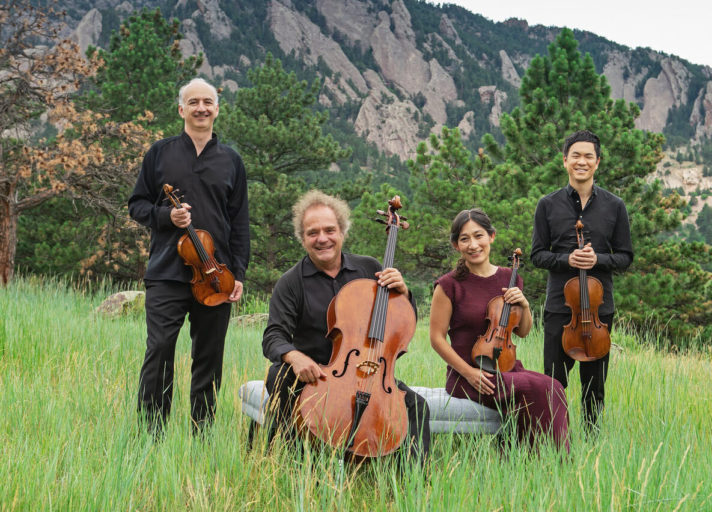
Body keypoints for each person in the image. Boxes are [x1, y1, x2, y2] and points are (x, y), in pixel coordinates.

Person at [262, 190, 430, 461]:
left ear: (342, 231)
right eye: (312, 232)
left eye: (330, 230)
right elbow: (273, 335)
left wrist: (405, 293)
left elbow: (402, 323)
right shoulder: (291, 282)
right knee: (278, 375)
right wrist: (294, 356)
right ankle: (293, 461)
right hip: (316, 373)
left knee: (417, 406)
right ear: (302, 238)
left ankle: (412, 480)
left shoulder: (370, 268)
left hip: (369, 371)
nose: (322, 239)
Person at [128, 77, 249, 435]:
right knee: (160, 350)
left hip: (216, 275)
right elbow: (136, 205)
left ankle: (203, 435)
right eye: (193, 102)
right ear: (181, 109)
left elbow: (239, 221)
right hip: (166, 272)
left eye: (208, 102)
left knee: (209, 357)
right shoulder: (160, 153)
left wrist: (238, 273)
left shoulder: (231, 161)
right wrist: (167, 217)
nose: (201, 108)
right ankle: (151, 435)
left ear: (216, 110)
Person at [429, 208, 569, 450]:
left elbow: (522, 332)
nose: (473, 245)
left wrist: (524, 305)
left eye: (479, 236)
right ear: (456, 245)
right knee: (542, 389)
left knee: (554, 386)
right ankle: (543, 460)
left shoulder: (509, 278)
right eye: (465, 239)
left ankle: (541, 459)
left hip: (506, 369)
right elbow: (436, 338)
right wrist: (468, 373)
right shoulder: (448, 285)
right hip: (469, 376)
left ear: (491, 237)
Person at [531, 129, 633, 436]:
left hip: (599, 312)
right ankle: (552, 443)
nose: (582, 161)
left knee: (594, 387)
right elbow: (537, 255)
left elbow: (626, 256)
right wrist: (567, 260)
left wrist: (598, 260)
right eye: (575, 155)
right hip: (560, 309)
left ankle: (592, 443)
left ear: (598, 162)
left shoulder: (615, 206)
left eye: (588, 156)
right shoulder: (547, 205)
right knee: (553, 384)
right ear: (565, 161)